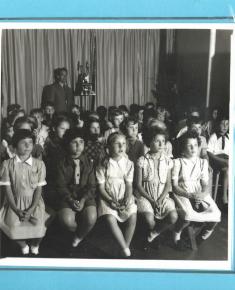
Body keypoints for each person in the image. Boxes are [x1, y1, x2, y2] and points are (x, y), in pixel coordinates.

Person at [0, 129, 49, 255]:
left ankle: (35, 244)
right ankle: (23, 245)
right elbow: (8, 190)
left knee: (40, 226)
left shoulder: (39, 164)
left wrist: (32, 208)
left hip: (34, 202)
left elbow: (39, 189)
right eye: (23, 143)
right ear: (14, 146)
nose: (28, 146)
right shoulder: (7, 164)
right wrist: (16, 209)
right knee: (12, 227)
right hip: (14, 202)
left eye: (30, 143)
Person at [172, 131, 221, 246]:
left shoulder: (203, 162)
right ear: (183, 149)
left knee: (216, 215)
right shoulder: (178, 162)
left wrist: (202, 194)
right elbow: (174, 186)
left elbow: (205, 184)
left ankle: (200, 238)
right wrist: (190, 195)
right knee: (187, 216)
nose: (193, 148)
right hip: (182, 191)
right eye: (189, 145)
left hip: (198, 191)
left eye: (195, 145)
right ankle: (177, 235)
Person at [96, 132, 137, 257]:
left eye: (123, 144)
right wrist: (110, 200)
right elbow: (101, 188)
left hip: (124, 195)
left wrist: (127, 199)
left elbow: (129, 185)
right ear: (109, 147)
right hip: (107, 196)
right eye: (117, 143)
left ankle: (125, 247)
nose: (121, 146)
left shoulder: (129, 163)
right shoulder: (103, 164)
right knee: (110, 217)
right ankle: (124, 248)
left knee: (132, 216)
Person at [55, 128, 97, 247]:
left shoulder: (89, 162)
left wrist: (83, 200)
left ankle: (78, 238)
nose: (78, 146)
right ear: (67, 144)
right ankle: (75, 233)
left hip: (85, 196)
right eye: (74, 142)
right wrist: (71, 200)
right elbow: (60, 186)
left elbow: (92, 186)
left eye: (81, 142)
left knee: (91, 218)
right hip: (68, 197)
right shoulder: (61, 163)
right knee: (67, 221)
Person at [135, 127, 178, 243]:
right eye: (157, 141)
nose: (161, 144)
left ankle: (154, 234)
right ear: (149, 142)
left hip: (162, 196)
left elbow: (168, 184)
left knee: (173, 216)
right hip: (146, 197)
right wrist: (152, 201)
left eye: (163, 141)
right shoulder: (142, 160)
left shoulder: (168, 161)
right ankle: (152, 234)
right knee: (149, 220)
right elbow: (138, 185)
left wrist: (159, 199)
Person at [43, 115, 70, 209]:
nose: (65, 132)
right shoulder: (48, 144)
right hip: (52, 183)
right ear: (54, 128)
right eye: (62, 128)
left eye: (67, 129)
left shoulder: (68, 143)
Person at [207, 115, 229, 207]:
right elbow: (209, 152)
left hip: (227, 160)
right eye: (222, 124)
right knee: (228, 167)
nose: (224, 126)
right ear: (217, 125)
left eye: (227, 124)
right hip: (216, 160)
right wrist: (222, 160)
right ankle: (224, 196)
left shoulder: (230, 137)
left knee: (228, 168)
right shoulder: (214, 137)